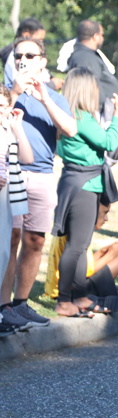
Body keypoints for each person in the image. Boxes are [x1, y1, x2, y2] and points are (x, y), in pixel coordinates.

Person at [1, 36, 79, 328]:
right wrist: (16, 92)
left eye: (29, 55)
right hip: (11, 173)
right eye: (18, 55)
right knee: (11, 238)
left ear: (43, 61)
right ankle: (4, 306)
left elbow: (70, 130)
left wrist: (44, 97)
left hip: (43, 174)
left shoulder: (54, 97)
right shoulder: (6, 91)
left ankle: (21, 303)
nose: (22, 60)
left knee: (35, 240)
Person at [50, 67, 118, 318]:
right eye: (95, 87)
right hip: (84, 184)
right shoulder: (81, 117)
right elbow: (109, 143)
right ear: (86, 89)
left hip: (76, 182)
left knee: (79, 246)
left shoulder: (71, 115)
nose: (98, 91)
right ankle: (65, 301)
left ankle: (80, 297)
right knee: (76, 247)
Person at [45, 203, 118, 335]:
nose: (106, 219)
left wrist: (103, 252)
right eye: (104, 213)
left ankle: (98, 298)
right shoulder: (80, 234)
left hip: (62, 288)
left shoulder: (70, 228)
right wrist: (111, 254)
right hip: (73, 289)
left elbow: (82, 264)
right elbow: (84, 272)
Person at [0, 87, 33, 335]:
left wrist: (17, 127)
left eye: (3, 105)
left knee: (3, 254)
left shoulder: (8, 129)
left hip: (6, 199)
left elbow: (28, 158)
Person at [66, 20, 118, 123]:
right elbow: (89, 89)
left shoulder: (87, 55)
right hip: (97, 115)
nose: (103, 38)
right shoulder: (85, 58)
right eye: (102, 35)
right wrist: (98, 111)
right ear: (95, 36)